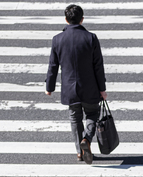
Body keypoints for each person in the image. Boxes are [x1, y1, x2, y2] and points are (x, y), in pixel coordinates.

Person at [45, 4, 107, 164]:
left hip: (69, 88)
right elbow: (98, 65)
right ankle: (86, 139)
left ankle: (80, 152)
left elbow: (53, 65)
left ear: (66, 20)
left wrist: (49, 87)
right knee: (92, 114)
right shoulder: (91, 38)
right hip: (90, 87)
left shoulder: (57, 39)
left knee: (75, 118)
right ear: (82, 19)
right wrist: (102, 88)